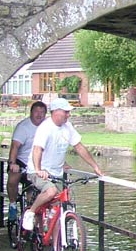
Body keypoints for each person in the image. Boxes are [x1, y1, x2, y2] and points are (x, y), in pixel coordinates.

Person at [22, 97, 103, 231]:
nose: (68, 115)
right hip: (38, 171)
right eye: (65, 112)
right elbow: (37, 149)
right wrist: (38, 169)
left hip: (56, 172)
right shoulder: (45, 128)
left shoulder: (67, 127)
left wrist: (95, 167)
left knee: (60, 206)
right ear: (56, 112)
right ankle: (30, 213)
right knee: (51, 191)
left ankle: (55, 250)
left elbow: (79, 147)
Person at [6, 101, 47, 223]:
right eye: (36, 112)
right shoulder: (23, 127)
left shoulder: (47, 126)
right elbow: (15, 147)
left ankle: (31, 218)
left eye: (42, 112)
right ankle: (13, 204)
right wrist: (12, 163)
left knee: (33, 189)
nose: (39, 115)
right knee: (13, 179)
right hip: (22, 160)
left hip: (37, 162)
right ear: (31, 113)